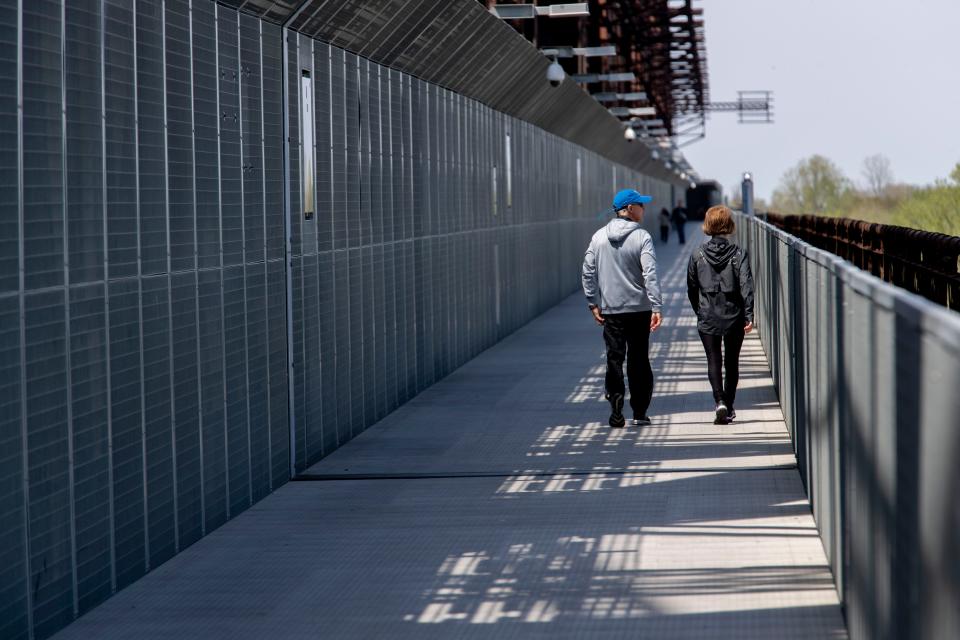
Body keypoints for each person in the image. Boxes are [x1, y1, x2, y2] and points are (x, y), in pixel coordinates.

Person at [582, 189, 663, 428]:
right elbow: (650, 273)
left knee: (614, 358)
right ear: (628, 209)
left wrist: (592, 302)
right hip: (639, 310)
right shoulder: (642, 237)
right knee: (639, 359)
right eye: (640, 204)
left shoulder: (598, 237)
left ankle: (616, 407)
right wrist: (656, 305)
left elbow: (587, 271)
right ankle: (639, 411)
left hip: (611, 310)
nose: (644, 209)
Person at [686, 205, 755, 424]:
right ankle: (731, 405)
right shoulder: (739, 254)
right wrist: (749, 314)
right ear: (729, 226)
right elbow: (746, 286)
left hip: (708, 315)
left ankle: (719, 402)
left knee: (713, 360)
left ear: (708, 225)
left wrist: (699, 310)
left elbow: (691, 286)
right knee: (732, 362)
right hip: (734, 315)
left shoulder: (697, 254)